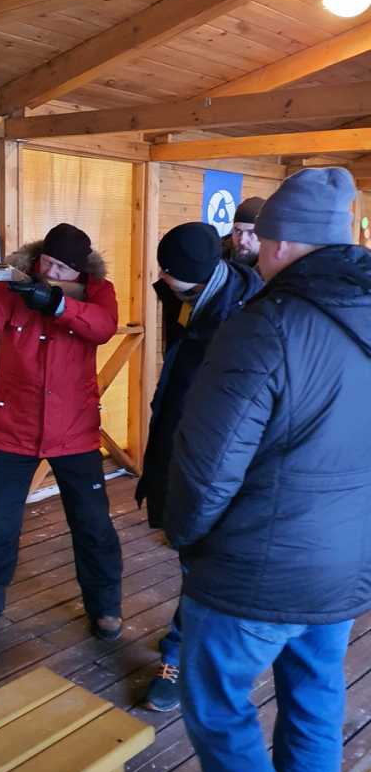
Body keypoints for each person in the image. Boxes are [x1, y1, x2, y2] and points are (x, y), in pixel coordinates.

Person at [164, 168, 371, 772]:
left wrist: (184, 537)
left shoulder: (263, 326)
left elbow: (207, 468)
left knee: (218, 707)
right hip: (345, 564)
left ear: (278, 243)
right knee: (314, 704)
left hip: (255, 571)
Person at [0, 223, 123, 642]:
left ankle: (105, 606)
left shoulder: (99, 291)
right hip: (14, 429)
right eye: (47, 262)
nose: (51, 271)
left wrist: (58, 305)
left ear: (80, 271)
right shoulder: (14, 287)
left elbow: (103, 327)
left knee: (93, 525)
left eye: (62, 268)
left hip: (76, 430)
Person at [135, 222, 262, 711]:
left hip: (222, 462)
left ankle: (180, 653)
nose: (161, 277)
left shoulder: (240, 316)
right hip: (187, 448)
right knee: (196, 561)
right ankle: (191, 641)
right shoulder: (196, 299)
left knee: (205, 565)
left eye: (168, 271)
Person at [222, 195, 265, 266]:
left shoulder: (276, 265)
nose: (242, 241)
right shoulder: (214, 254)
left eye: (251, 233)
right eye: (238, 231)